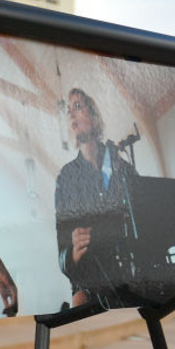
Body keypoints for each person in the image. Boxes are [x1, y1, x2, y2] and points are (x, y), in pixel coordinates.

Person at [54, 87, 141, 310]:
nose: (71, 114)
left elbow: (143, 213)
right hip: (89, 285)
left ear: (94, 117)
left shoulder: (122, 167)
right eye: (69, 110)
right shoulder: (66, 177)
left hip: (130, 277)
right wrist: (72, 252)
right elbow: (62, 250)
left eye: (78, 107)